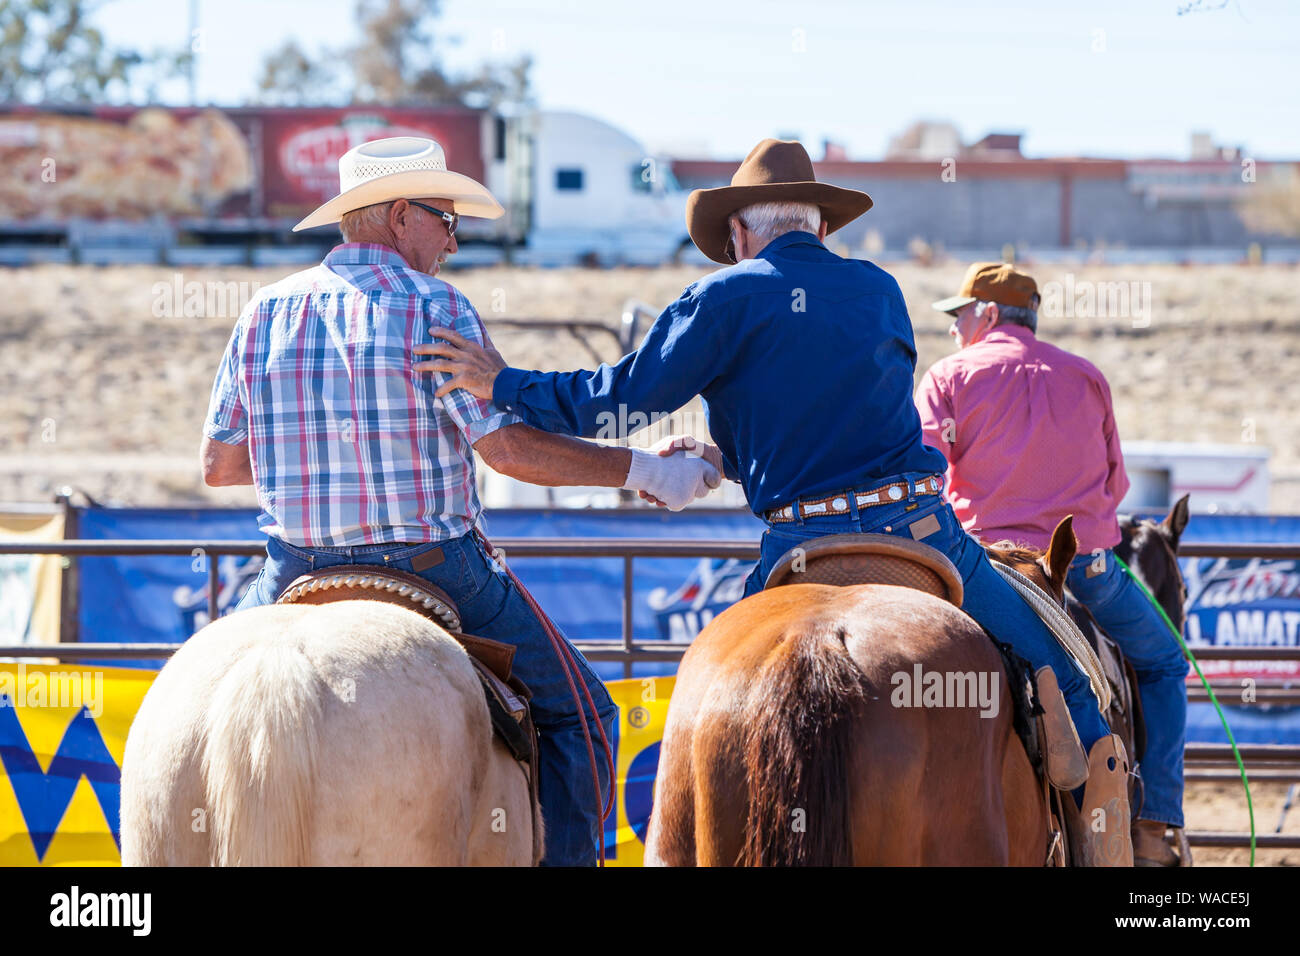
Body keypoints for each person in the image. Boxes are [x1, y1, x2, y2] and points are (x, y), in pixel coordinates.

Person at [415, 138, 1133, 864]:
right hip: (920, 531)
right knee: (1071, 692)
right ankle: (1108, 842)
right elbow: (849, 422)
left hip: (796, 543)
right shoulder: (879, 290)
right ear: (820, 224)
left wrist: (504, 383)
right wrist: (735, 455)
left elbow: (615, 402)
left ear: (737, 232)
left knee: (720, 693)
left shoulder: (722, 297)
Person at [200, 136, 717, 866]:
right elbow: (507, 452)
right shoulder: (436, 306)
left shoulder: (264, 312)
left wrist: (320, 453)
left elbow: (219, 466)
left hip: (294, 571)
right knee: (585, 714)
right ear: (402, 216)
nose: (452, 239)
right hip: (437, 567)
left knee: (200, 707)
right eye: (447, 220)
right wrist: (646, 472)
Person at [916, 262, 1188, 866]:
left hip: (981, 568)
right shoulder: (1087, 376)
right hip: (1083, 567)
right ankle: (1151, 826)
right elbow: (1113, 485)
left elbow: (926, 473)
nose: (955, 328)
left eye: (959, 315)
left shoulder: (948, 377)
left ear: (986, 315)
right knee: (1165, 664)